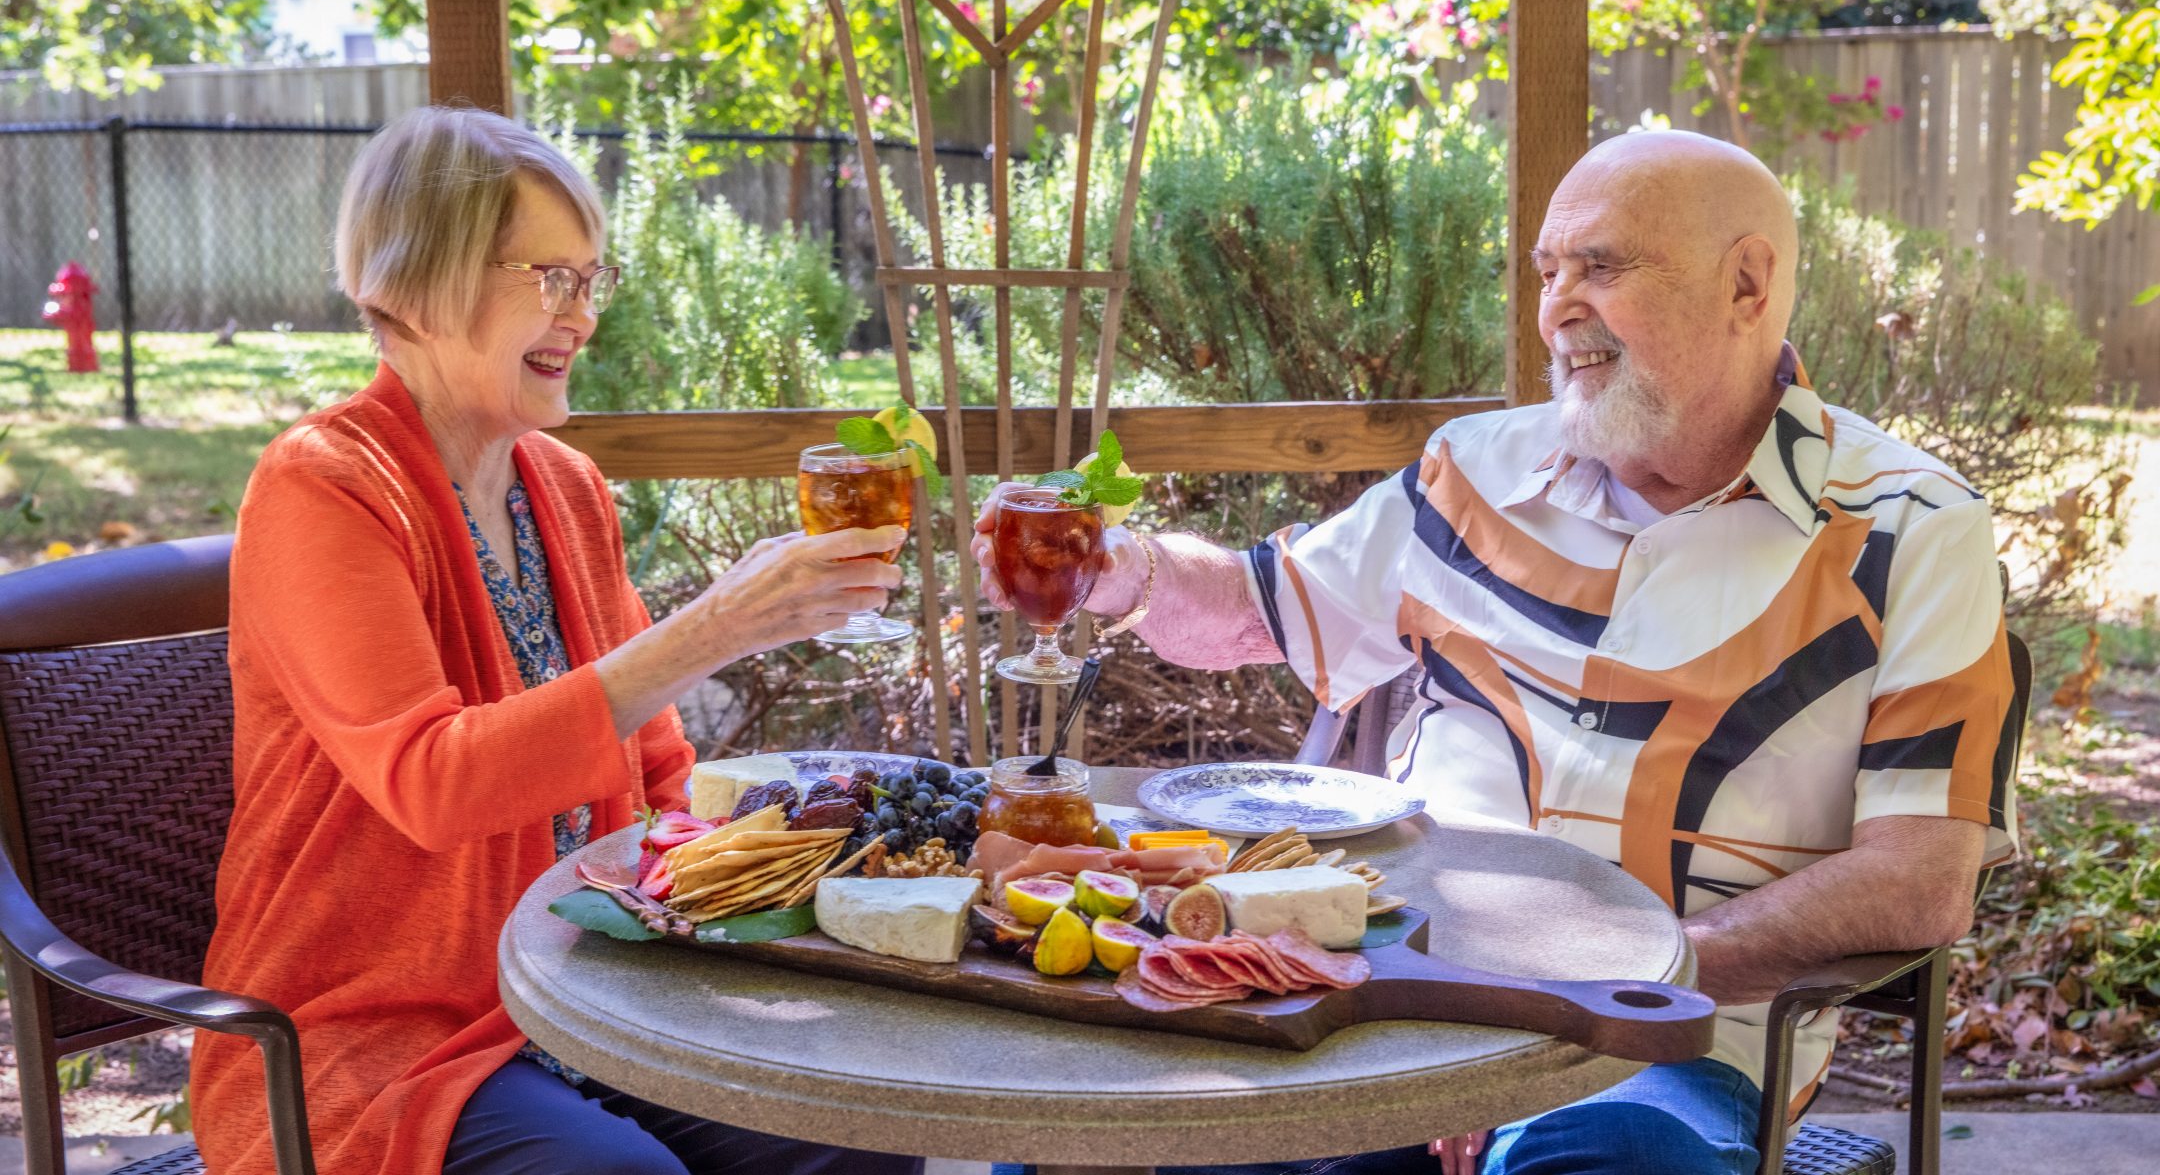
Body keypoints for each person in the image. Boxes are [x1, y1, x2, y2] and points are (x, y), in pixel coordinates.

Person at [976, 131, 2016, 1175]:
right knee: (1089, 1126)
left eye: (1601, 267)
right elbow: (1257, 611)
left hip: (1661, 1040)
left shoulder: (1909, 530)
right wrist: (1110, 562)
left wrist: (1566, 1000)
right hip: (1374, 991)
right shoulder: (1472, 473)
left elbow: (1917, 882)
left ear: (1748, 283)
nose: (1558, 305)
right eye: (1546, 272)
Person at [193, 107, 921, 1175]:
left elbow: (662, 773)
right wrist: (713, 626)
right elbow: (432, 782)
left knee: (853, 1125)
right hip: (382, 1028)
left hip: (594, 986)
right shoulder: (326, 485)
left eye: (592, 280)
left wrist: (793, 868)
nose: (583, 317)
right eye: (551, 279)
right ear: (421, 283)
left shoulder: (566, 489)